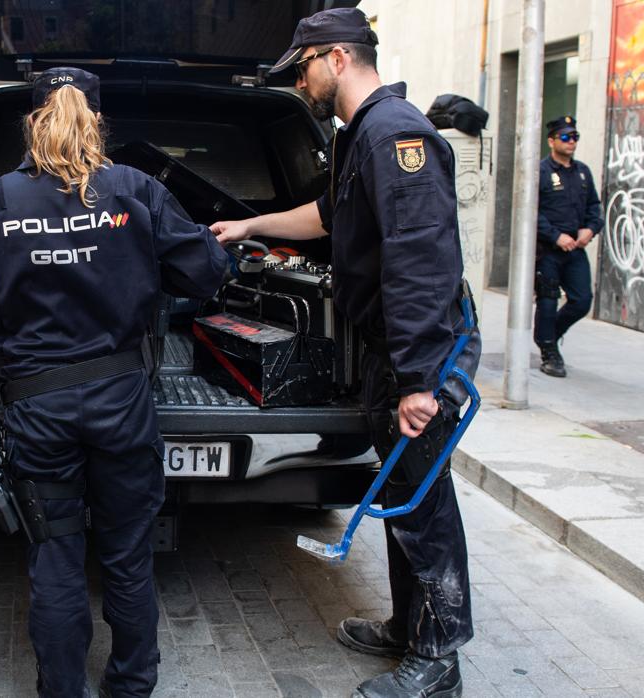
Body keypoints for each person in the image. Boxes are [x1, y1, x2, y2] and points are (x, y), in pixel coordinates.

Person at [0, 67, 227, 698]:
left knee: (56, 559)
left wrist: (11, 271)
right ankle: (131, 686)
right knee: (126, 555)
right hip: (122, 406)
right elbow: (205, 273)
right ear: (96, 120)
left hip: (37, 411)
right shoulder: (136, 192)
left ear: (33, 121)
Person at [211, 9, 479, 698]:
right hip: (392, 353)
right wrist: (250, 222)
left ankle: (438, 661)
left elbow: (421, 265)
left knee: (422, 502)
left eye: (301, 69)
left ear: (335, 58)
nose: (299, 84)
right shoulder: (360, 137)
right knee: (396, 492)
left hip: (416, 356)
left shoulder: (395, 139)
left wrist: (419, 382)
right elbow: (326, 217)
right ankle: (407, 627)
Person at [535, 115, 602, 377]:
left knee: (582, 300)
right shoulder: (541, 172)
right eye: (566, 137)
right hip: (548, 250)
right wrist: (555, 236)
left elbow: (594, 207)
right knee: (548, 301)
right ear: (552, 141)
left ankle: (550, 336)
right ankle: (549, 352)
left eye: (574, 137)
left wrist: (591, 229)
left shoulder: (582, 172)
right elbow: (532, 211)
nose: (571, 142)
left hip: (575, 248)